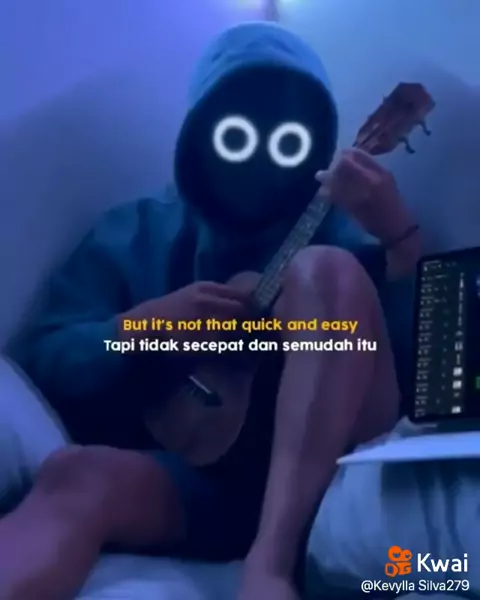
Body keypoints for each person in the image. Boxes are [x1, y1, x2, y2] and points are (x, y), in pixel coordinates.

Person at [4, 22, 421, 600]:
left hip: (326, 490)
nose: (259, 160)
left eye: (286, 140)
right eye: (235, 135)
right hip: (196, 486)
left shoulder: (341, 233)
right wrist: (144, 328)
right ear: (198, 135)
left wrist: (401, 238)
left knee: (324, 272)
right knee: (75, 474)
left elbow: (415, 378)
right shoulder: (134, 232)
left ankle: (270, 563)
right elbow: (43, 360)